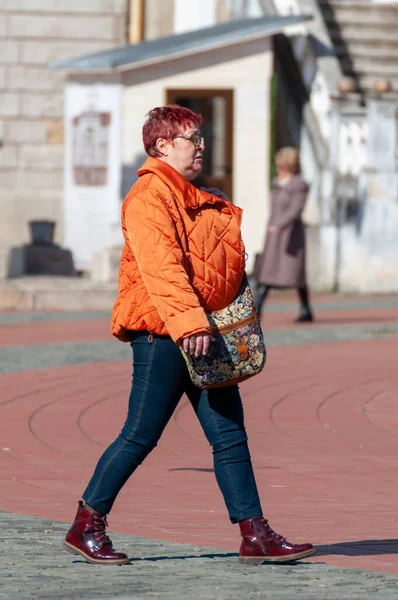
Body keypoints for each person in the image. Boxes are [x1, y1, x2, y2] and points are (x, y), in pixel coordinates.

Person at [63, 106, 315, 565]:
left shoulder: (191, 195)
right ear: (162, 146)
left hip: (204, 331)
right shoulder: (147, 196)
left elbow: (217, 263)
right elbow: (162, 269)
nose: (201, 146)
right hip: (165, 334)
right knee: (140, 434)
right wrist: (191, 325)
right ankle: (87, 523)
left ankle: (254, 532)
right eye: (191, 139)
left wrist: (213, 207)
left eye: (202, 139)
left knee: (230, 435)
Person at [254, 147, 314, 322]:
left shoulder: (298, 185)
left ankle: (306, 310)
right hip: (274, 236)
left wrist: (279, 225)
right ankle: (256, 310)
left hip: (290, 236)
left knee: (296, 276)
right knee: (266, 274)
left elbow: (296, 209)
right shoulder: (277, 182)